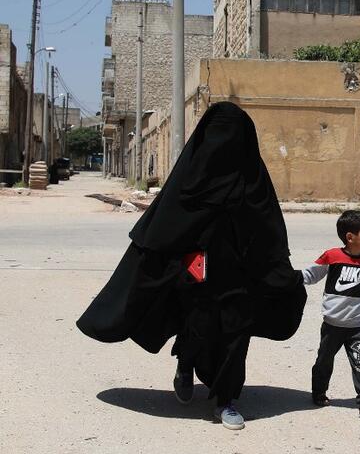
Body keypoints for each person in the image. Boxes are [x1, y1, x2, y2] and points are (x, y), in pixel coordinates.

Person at [76, 102, 307, 430]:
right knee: (197, 326)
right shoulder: (191, 179)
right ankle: (185, 365)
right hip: (197, 271)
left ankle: (227, 400)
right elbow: (163, 229)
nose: (223, 142)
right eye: (218, 134)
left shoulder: (253, 181)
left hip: (238, 274)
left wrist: (282, 275)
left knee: (236, 333)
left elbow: (269, 233)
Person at [300, 210, 360, 422]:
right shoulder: (332, 256)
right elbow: (311, 275)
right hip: (332, 325)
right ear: (350, 237)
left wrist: (356, 312)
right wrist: (289, 278)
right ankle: (319, 392)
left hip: (357, 326)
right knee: (324, 360)